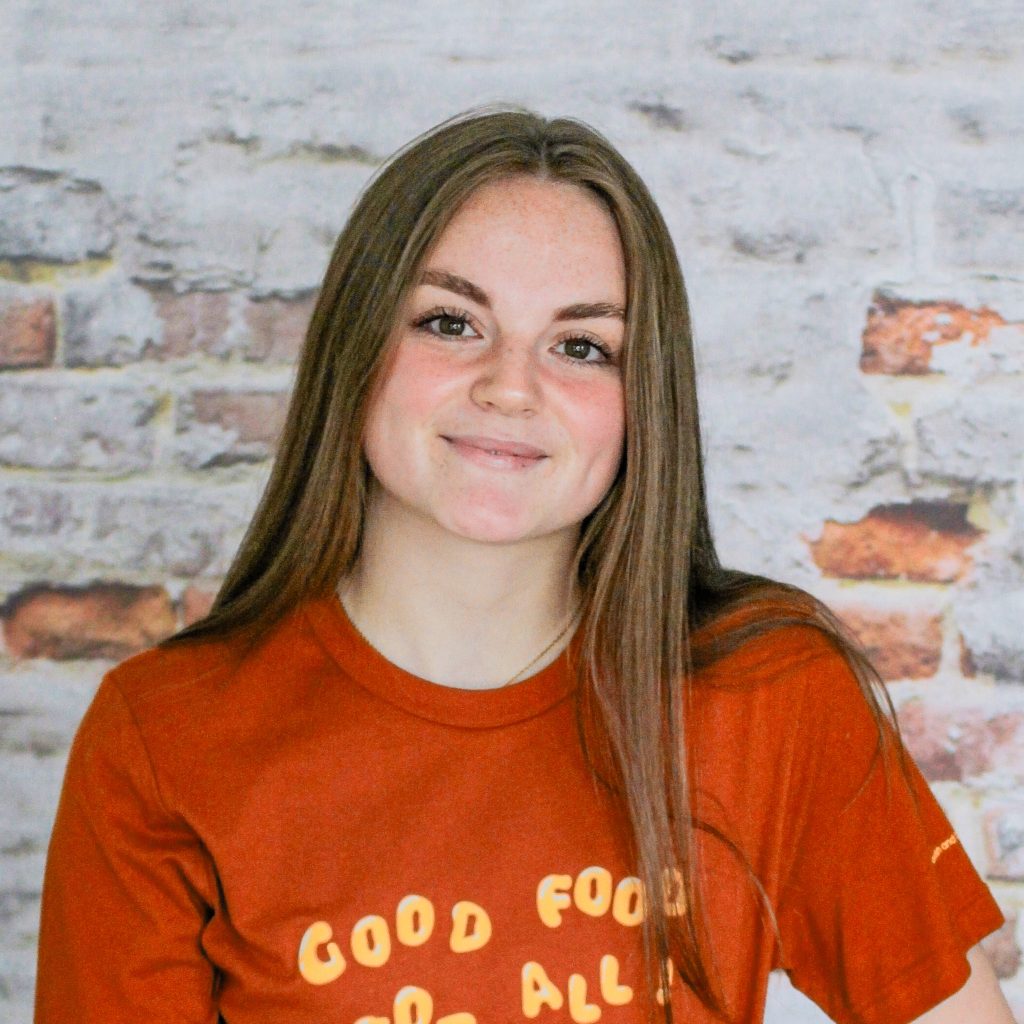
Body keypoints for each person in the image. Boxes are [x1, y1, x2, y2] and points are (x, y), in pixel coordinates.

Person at [34, 106, 1013, 1024]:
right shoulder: (164, 738)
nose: (510, 386)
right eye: (450, 322)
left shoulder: (773, 697)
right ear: (359, 347)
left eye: (582, 344)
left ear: (642, 402)